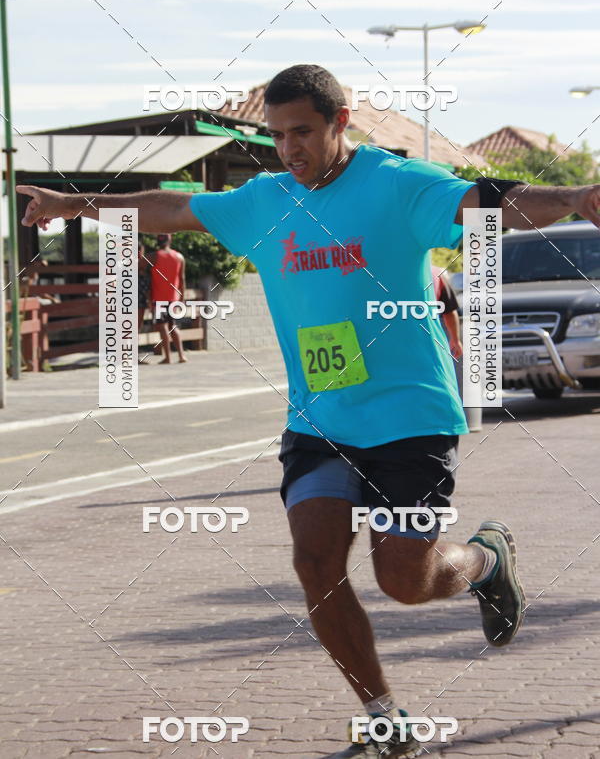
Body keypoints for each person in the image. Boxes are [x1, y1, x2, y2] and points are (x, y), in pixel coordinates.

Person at [16, 65, 600, 758]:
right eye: (277, 136)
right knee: (316, 565)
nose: (289, 149)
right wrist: (72, 203)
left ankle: (484, 560)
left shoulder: (394, 183)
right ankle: (382, 714)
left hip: (411, 415)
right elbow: (171, 208)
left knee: (404, 582)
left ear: (339, 122)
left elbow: (488, 202)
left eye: (303, 132)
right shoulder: (264, 202)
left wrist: (577, 195)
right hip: (320, 421)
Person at [149, 233, 187, 364]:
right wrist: (182, 297)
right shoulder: (179, 257)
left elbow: (143, 272)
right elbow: (182, 279)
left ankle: (168, 357)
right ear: (170, 240)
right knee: (173, 326)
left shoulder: (154, 256)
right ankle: (182, 355)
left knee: (162, 326)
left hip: (159, 298)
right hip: (174, 298)